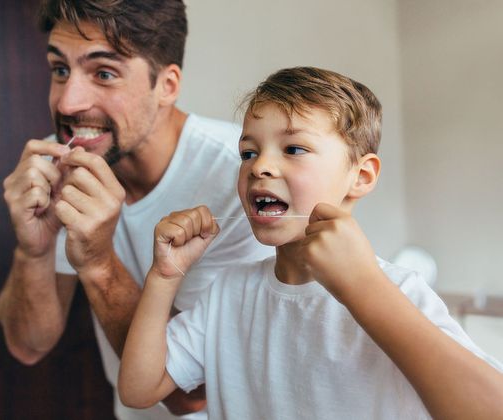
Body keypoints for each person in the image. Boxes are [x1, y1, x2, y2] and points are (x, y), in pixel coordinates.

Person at [118, 66, 503, 419]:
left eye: (293, 149)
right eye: (248, 152)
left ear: (362, 176)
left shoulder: (399, 290)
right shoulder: (228, 292)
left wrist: (363, 287)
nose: (259, 167)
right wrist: (164, 277)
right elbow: (139, 389)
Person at [0, 1, 272, 419]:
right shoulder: (62, 168)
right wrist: (32, 249)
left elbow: (191, 394)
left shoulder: (243, 181)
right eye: (60, 70)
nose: (68, 103)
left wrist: (98, 263)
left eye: (103, 73)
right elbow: (28, 345)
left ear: (167, 85)